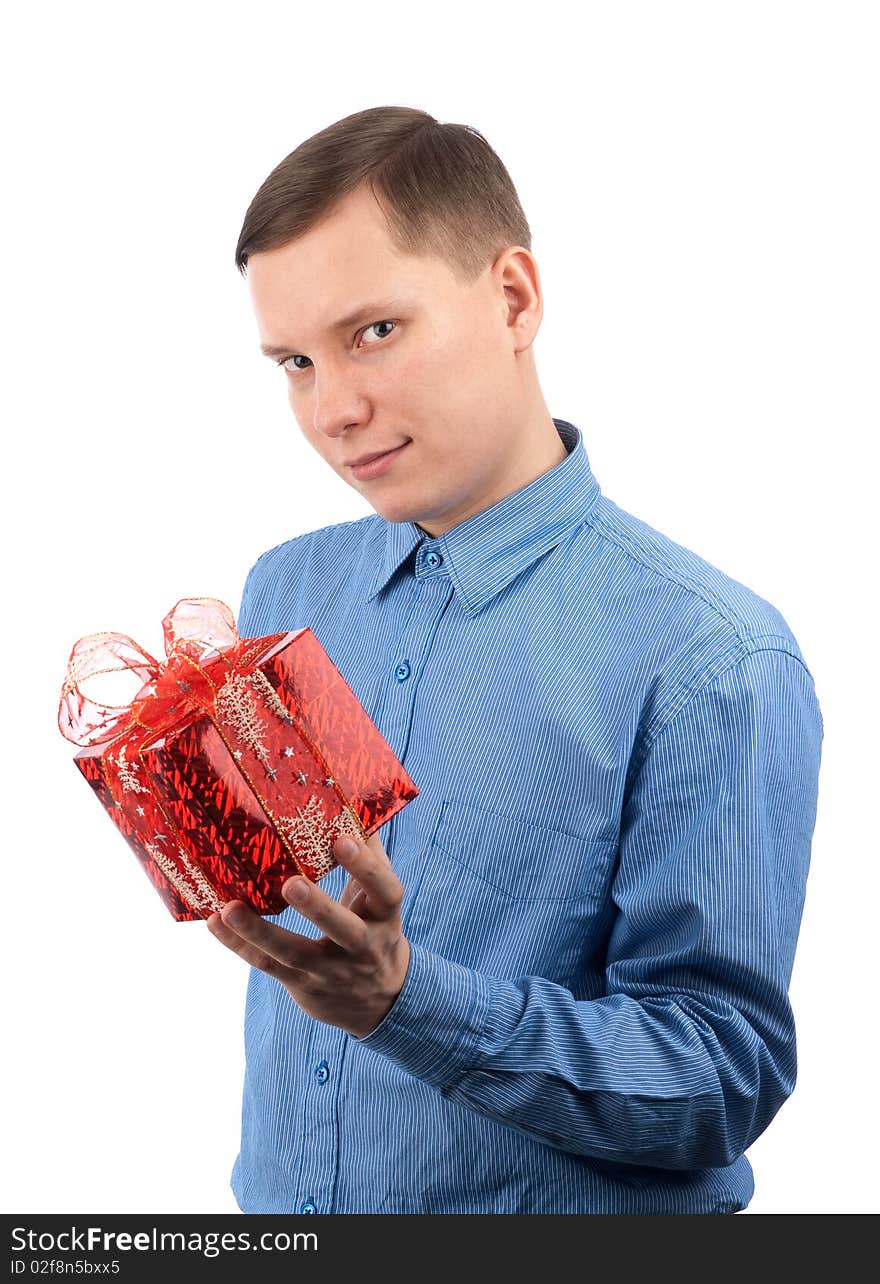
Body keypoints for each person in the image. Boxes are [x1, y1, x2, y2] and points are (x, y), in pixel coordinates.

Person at [206, 105, 824, 1215]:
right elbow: (295, 915)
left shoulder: (709, 658)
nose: (334, 409)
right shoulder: (285, 591)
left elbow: (718, 1080)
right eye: (294, 361)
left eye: (375, 332)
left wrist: (407, 1002)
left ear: (512, 299)